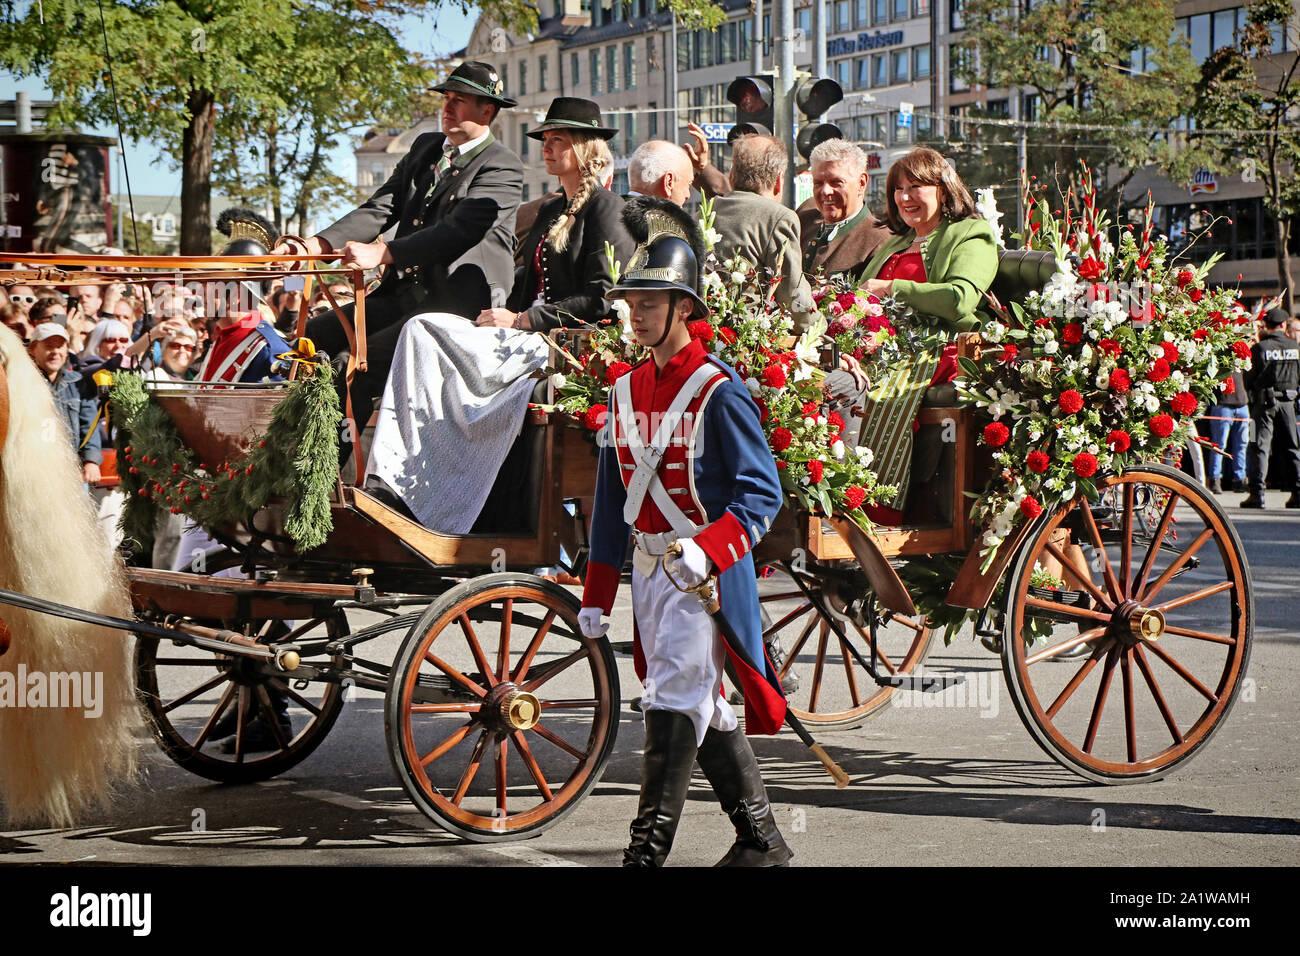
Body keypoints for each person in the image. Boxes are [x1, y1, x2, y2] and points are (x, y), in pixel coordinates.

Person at [579, 196, 791, 868]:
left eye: (651, 301)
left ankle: (644, 856)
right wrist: (596, 589)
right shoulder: (621, 391)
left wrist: (708, 548)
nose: (636, 312)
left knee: (672, 701)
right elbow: (613, 498)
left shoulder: (717, 390)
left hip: (703, 577)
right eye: (631, 302)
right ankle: (763, 841)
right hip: (648, 574)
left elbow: (763, 495)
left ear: (684, 309)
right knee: (700, 703)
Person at [280, 61, 523, 445]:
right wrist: (316, 245)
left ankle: (325, 477)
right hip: (402, 296)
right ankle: (281, 452)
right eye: (446, 98)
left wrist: (383, 252)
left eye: (459, 100)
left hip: (456, 305)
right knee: (309, 340)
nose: (447, 107)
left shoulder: (502, 165)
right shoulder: (426, 148)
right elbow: (381, 207)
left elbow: (458, 232)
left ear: (487, 111)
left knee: (355, 366)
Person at [855, 145, 998, 523]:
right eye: (898, 189)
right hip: (885, 344)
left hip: (937, 348)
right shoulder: (898, 241)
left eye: (915, 186)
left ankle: (875, 507)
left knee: (869, 393)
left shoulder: (971, 234)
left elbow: (960, 300)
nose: (904, 197)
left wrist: (893, 289)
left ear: (943, 189)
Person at [483, 98, 634, 331]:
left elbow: (602, 297)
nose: (545, 148)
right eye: (545, 139)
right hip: (526, 329)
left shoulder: (607, 206)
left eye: (557, 139)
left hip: (568, 338)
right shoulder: (549, 210)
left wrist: (523, 319)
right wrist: (501, 317)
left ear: (584, 146)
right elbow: (527, 284)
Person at [709, 134, 814, 330]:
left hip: (700, 336)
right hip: (747, 343)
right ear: (779, 180)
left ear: (731, 175)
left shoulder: (704, 212)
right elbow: (793, 295)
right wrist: (820, 329)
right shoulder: (779, 217)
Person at [799, 139, 891, 279]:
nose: (825, 191)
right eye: (818, 183)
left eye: (836, 182)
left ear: (861, 183)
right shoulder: (802, 217)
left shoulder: (881, 240)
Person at [27, 322, 102, 485]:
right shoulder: (22, 383)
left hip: (72, 471)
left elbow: (89, 425)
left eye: (60, 346)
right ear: (33, 349)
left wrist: (91, 461)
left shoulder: (77, 382)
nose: (55, 352)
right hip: (33, 470)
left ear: (66, 350)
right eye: (48, 346)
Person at [1241, 307, 1300, 509]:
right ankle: (1298, 493)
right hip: (1289, 403)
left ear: (1266, 326)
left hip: (1263, 404)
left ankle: (1257, 495)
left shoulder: (1260, 348)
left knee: (1259, 447)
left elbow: (1248, 379)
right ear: (1283, 325)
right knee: (1292, 447)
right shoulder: (1295, 346)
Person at [1206, 369, 1249, 493]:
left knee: (1242, 444)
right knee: (1219, 445)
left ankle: (1240, 479)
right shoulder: (1220, 354)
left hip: (1242, 404)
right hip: (1223, 404)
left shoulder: (1241, 358)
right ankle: (1215, 479)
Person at [627, 140, 694, 206]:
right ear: (669, 182)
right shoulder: (662, 216)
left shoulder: (617, 211)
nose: (688, 195)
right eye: (688, 184)